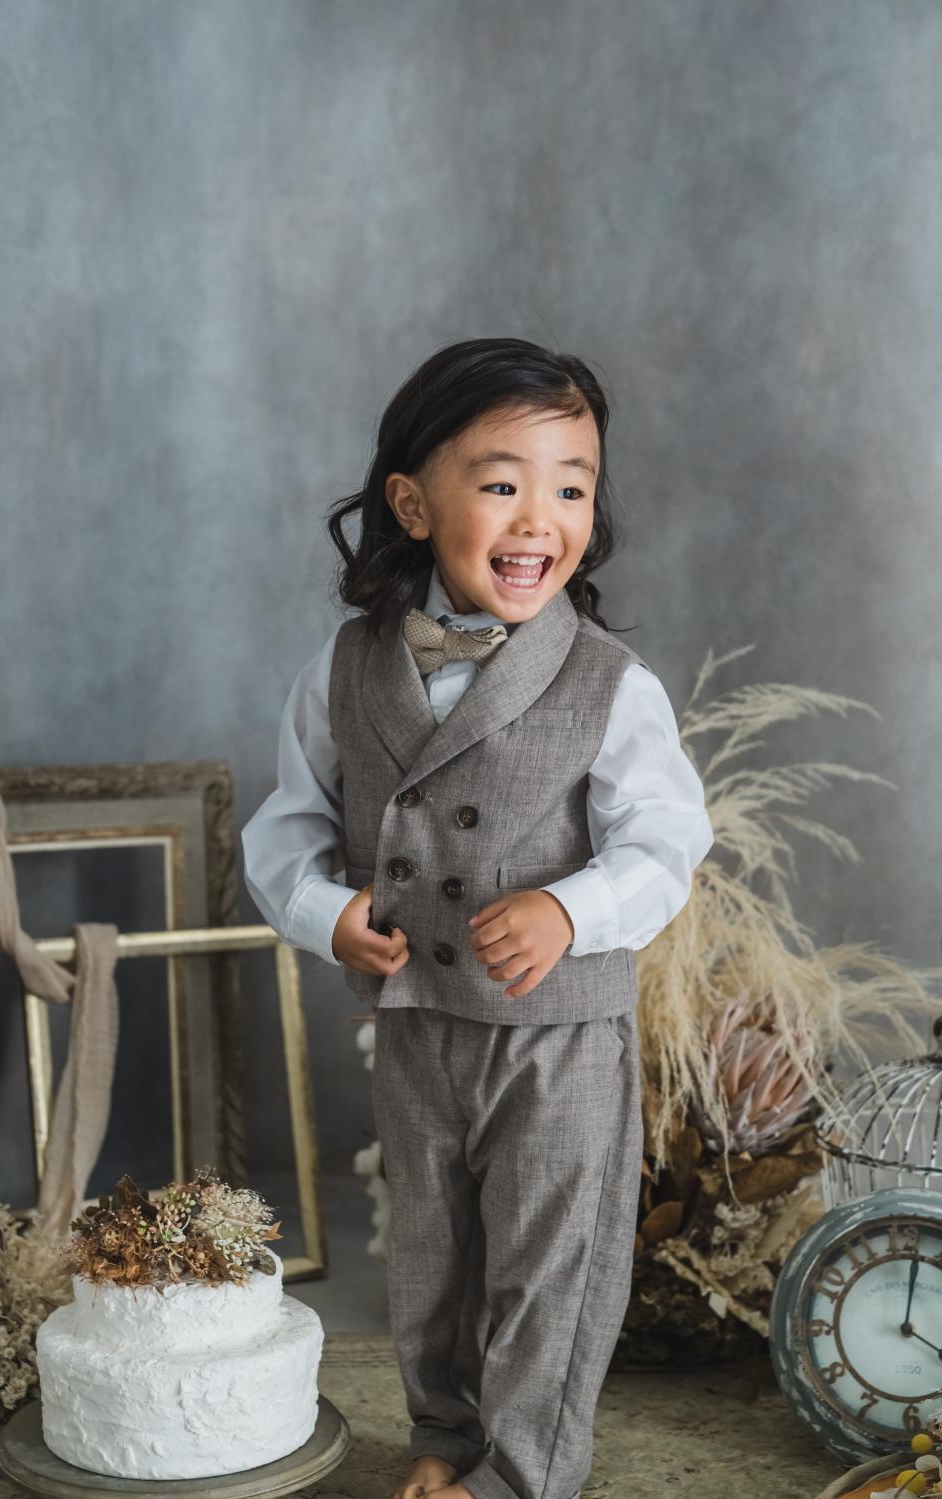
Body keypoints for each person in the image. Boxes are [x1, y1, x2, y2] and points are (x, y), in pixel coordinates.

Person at [242, 336, 714, 1499]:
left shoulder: (609, 682)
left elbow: (666, 839)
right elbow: (284, 828)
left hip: (556, 1033)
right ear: (412, 503)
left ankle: (522, 1470)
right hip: (415, 1022)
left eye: (571, 487)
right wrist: (325, 910)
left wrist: (568, 907)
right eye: (502, 483)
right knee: (432, 1248)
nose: (538, 517)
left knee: (550, 1256)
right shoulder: (344, 668)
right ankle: (444, 1435)